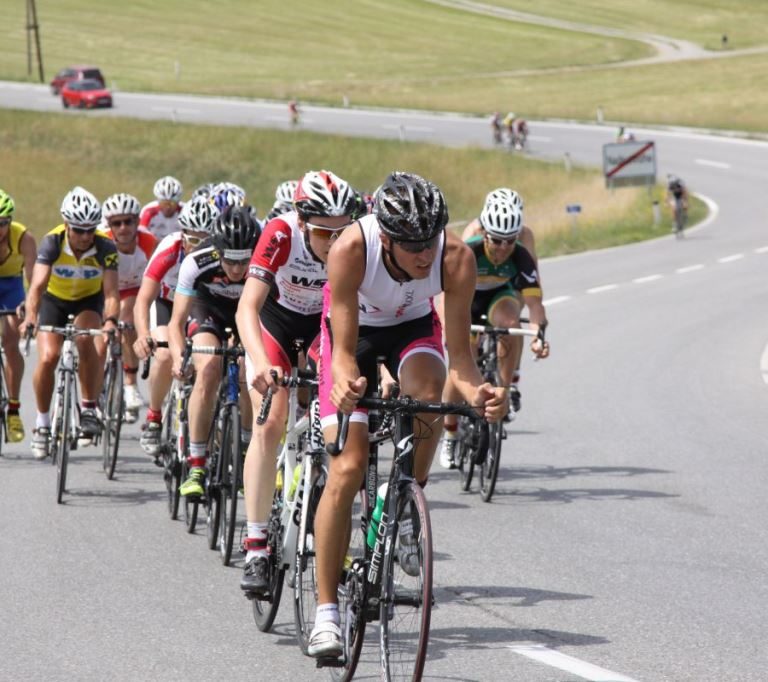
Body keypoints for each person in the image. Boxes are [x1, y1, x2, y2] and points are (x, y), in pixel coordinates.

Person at [306, 171, 508, 658]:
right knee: (349, 465)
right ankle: (327, 611)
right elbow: (343, 351)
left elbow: (459, 357)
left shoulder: (455, 257)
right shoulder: (352, 249)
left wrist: (480, 392)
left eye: (430, 239)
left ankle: (398, 501)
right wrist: (349, 382)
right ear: (387, 238)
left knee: (427, 391)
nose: (424, 253)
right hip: (355, 335)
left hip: (414, 330)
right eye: (412, 243)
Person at [236, 169, 356, 596]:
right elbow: (247, 307)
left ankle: (330, 529)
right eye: (325, 233)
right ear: (303, 221)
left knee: (340, 429)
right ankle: (255, 546)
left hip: (324, 327)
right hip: (277, 325)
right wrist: (258, 362)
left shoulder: (352, 241)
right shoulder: (281, 232)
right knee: (271, 420)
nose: (335, 243)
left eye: (341, 232)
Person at [439, 188, 550, 469]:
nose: (502, 248)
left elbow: (535, 302)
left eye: (509, 241)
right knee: (463, 357)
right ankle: (450, 433)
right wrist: (447, 330)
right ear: (485, 232)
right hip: (468, 294)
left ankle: (506, 386)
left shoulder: (522, 248)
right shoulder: (471, 243)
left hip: (502, 292)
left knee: (511, 325)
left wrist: (538, 334)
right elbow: (446, 293)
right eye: (497, 241)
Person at [168, 205, 260, 498]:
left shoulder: (264, 263)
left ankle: (245, 448)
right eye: (230, 260)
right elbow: (176, 322)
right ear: (217, 250)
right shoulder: (197, 261)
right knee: (208, 368)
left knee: (249, 369)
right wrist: (178, 356)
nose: (236, 269)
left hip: (247, 313)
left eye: (243, 260)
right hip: (207, 310)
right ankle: (197, 464)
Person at [25, 187, 119, 458]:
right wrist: (31, 316)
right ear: (67, 225)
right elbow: (37, 286)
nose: (85, 236)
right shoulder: (52, 242)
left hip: (88, 301)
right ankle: (42, 424)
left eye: (90, 230)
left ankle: (88, 407)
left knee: (85, 338)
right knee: (48, 357)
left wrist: (111, 320)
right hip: (55, 300)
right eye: (79, 230)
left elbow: (111, 293)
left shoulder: (105, 247)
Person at [132, 196, 219, 456]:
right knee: (165, 353)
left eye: (204, 240)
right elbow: (143, 298)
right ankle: (154, 417)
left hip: (197, 308)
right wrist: (142, 335)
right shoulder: (170, 248)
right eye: (193, 239)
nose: (197, 247)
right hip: (166, 304)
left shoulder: (217, 255)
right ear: (182, 235)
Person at [102, 193, 158, 421]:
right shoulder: (103, 242)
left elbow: (156, 278)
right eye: (117, 223)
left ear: (138, 221)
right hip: (106, 289)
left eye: (129, 221)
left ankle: (130, 385)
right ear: (109, 225)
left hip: (135, 289)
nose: (123, 228)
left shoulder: (149, 242)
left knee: (128, 319)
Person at [0, 190, 37, 442]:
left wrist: (28, 309)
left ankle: (13, 409)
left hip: (12, 286)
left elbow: (34, 280)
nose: (0, 228)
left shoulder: (23, 237)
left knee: (11, 342)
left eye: (4, 223)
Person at [139, 175, 184, 241]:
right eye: (164, 203)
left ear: (178, 202)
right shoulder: (149, 211)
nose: (168, 207)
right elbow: (141, 234)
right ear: (158, 200)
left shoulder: (185, 211)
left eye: (172, 203)